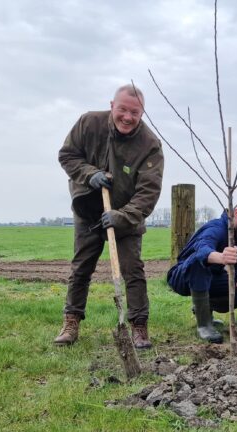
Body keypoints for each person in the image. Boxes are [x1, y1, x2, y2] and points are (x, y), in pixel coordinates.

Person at [54, 84, 164, 349]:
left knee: (133, 270)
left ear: (142, 114)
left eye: (135, 112)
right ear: (112, 105)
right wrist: (89, 174)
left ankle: (139, 326)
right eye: (123, 109)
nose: (127, 117)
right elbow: (67, 155)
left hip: (126, 215)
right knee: (81, 267)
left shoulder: (150, 145)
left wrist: (122, 216)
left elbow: (148, 192)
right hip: (88, 208)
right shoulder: (88, 123)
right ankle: (71, 321)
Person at [167, 196, 237, 344]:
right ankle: (204, 325)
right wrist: (221, 257)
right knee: (198, 262)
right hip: (183, 276)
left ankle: (203, 310)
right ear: (236, 212)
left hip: (211, 279)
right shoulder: (217, 228)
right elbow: (201, 250)